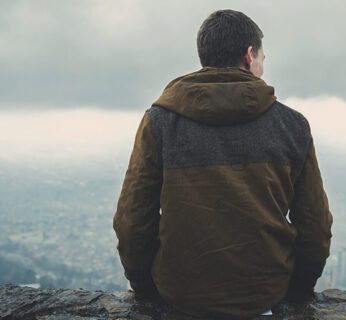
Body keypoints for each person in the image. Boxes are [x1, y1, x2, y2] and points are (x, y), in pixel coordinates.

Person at [113, 9, 333, 319]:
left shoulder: (159, 122)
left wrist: (145, 287)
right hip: (264, 296)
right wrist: (297, 290)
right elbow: (315, 227)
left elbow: (132, 220)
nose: (261, 66)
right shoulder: (292, 126)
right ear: (248, 56)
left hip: (179, 296)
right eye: (262, 58)